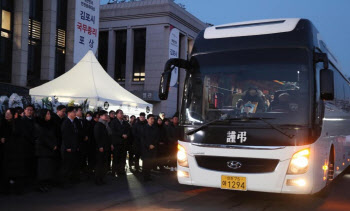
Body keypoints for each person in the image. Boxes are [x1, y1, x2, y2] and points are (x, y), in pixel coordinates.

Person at [0, 109, 28, 194]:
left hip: (16, 152)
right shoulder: (2, 123)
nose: (7, 115)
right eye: (6, 113)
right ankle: (5, 189)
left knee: (16, 171)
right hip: (4, 152)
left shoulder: (17, 123)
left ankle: (17, 188)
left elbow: (19, 134)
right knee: (5, 171)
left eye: (9, 113)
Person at [34, 109, 59, 192]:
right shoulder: (39, 124)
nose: (49, 115)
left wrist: (55, 144)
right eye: (47, 114)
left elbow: (53, 135)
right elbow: (42, 137)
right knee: (42, 169)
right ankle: (41, 185)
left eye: (49, 114)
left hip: (49, 150)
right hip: (42, 150)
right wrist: (52, 145)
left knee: (48, 168)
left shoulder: (50, 124)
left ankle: (46, 183)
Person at [60, 107, 80, 186]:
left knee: (72, 165)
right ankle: (64, 182)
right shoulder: (66, 122)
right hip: (67, 148)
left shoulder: (74, 122)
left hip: (73, 147)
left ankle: (70, 180)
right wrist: (68, 147)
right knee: (66, 166)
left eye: (75, 112)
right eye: (73, 112)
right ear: (69, 113)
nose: (75, 113)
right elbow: (65, 136)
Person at [94, 110, 113, 185]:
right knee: (100, 164)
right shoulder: (98, 125)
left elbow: (109, 136)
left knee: (104, 164)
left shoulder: (105, 125)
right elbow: (97, 136)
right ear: (100, 116)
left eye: (106, 115)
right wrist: (100, 146)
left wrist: (110, 144)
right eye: (105, 115)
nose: (106, 116)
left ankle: (102, 178)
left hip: (106, 147)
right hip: (101, 148)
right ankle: (97, 179)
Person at [109, 109, 130, 177]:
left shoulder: (125, 122)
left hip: (124, 143)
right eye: (120, 113)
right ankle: (114, 171)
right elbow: (113, 132)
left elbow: (129, 130)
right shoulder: (113, 122)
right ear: (116, 114)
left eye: (122, 113)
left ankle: (121, 171)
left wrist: (127, 134)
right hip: (116, 143)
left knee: (123, 158)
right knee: (116, 158)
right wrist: (121, 135)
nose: (121, 114)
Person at [141, 114, 160, 181]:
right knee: (146, 163)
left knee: (150, 163)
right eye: (151, 119)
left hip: (153, 148)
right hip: (146, 148)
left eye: (153, 119)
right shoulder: (144, 128)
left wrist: (153, 144)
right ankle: (145, 177)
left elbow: (157, 137)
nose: (152, 120)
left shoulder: (155, 128)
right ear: (147, 120)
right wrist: (148, 145)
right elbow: (142, 138)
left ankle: (148, 176)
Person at [75, 107, 89, 173]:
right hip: (77, 142)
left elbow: (86, 129)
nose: (81, 112)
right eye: (80, 111)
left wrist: (86, 135)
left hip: (84, 143)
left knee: (83, 158)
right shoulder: (74, 121)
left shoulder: (84, 120)